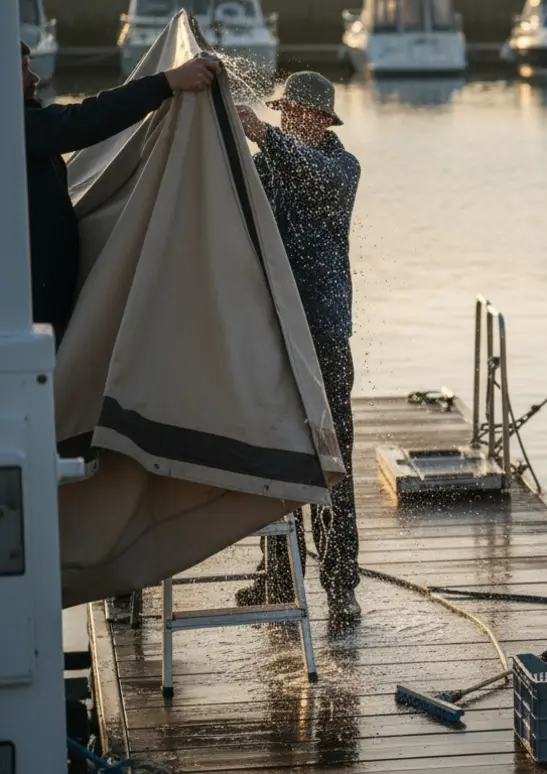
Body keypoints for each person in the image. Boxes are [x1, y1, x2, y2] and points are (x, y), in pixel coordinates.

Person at [234, 72, 363, 621]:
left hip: (324, 334)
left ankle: (341, 585)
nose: (290, 119)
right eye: (284, 112)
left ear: (324, 120)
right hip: (274, 332)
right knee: (276, 454)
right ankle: (279, 577)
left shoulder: (342, 168)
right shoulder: (265, 166)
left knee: (333, 459)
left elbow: (311, 174)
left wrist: (263, 134)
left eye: (299, 112)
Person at [22, 40, 219, 347]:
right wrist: (166, 82)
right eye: (23, 69)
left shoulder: (25, 125)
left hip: (43, 301)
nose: (35, 78)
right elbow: (82, 120)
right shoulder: (15, 128)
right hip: (29, 309)